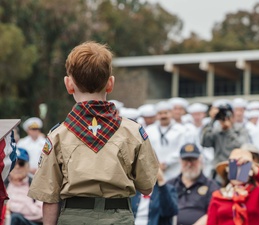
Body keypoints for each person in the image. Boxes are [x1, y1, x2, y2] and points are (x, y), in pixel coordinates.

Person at [27, 42, 159, 225]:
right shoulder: (133, 132)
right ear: (110, 83)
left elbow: (49, 198)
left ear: (69, 84)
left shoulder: (58, 135)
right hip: (118, 218)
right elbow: (146, 186)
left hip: (73, 218)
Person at [207, 148, 259, 225]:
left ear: (250, 172)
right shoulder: (218, 196)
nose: (238, 171)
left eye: (243, 168)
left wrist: (252, 167)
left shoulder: (258, 193)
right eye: (234, 167)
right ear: (228, 170)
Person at [167, 143, 219, 225]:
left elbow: (213, 213)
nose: (189, 164)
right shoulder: (170, 184)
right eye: (186, 160)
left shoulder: (211, 186)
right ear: (180, 161)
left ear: (200, 160)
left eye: (193, 160)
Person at [146, 101, 187, 181]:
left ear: (171, 113)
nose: (163, 116)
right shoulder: (149, 130)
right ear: (156, 115)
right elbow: (146, 149)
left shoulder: (181, 130)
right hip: (154, 170)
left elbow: (181, 149)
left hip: (174, 170)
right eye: (160, 113)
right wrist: (156, 164)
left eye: (166, 113)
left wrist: (166, 163)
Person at [202, 104, 249, 169]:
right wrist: (212, 120)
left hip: (236, 167)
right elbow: (205, 143)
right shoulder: (216, 131)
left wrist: (229, 130)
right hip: (219, 167)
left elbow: (242, 146)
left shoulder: (240, 130)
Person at [6, 148, 43, 225]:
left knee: (15, 217)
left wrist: (11, 207)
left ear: (28, 167)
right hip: (7, 221)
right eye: (14, 163)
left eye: (21, 163)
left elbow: (41, 213)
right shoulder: (3, 184)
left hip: (29, 222)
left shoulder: (35, 185)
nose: (17, 167)